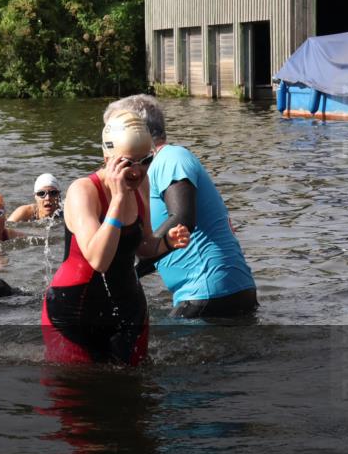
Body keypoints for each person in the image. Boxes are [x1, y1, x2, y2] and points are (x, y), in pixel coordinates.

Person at [42, 111, 190, 365]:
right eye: (127, 163)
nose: (137, 171)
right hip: (74, 312)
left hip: (128, 307)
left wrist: (166, 242)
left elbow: (141, 246)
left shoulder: (141, 186)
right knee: (75, 396)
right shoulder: (83, 191)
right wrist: (119, 199)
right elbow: (99, 259)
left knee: (137, 395)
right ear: (107, 158)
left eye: (145, 161)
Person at [105, 94, 258, 318]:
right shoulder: (145, 173)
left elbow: (183, 219)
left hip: (207, 292)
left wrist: (128, 268)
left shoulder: (171, 157)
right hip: (217, 291)